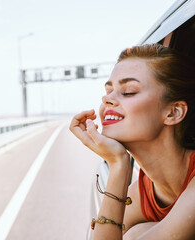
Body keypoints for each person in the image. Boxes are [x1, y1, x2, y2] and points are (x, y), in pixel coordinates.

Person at [69, 43, 195, 239]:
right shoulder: (141, 194)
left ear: (173, 112)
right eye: (108, 91)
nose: (106, 99)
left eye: (128, 92)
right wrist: (118, 164)